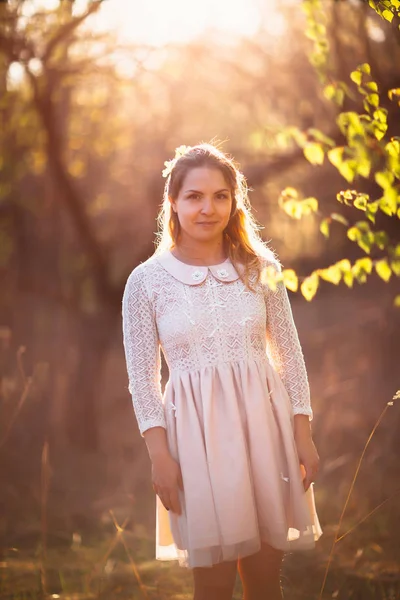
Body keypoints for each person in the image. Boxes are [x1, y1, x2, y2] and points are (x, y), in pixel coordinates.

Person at [121, 143, 323, 600]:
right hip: (195, 441)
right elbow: (142, 377)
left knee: (265, 579)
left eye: (220, 196)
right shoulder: (146, 282)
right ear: (172, 202)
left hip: (264, 429)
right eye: (194, 197)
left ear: (234, 202)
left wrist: (303, 432)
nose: (207, 208)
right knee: (212, 585)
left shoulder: (260, 270)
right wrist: (160, 458)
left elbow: (289, 354)